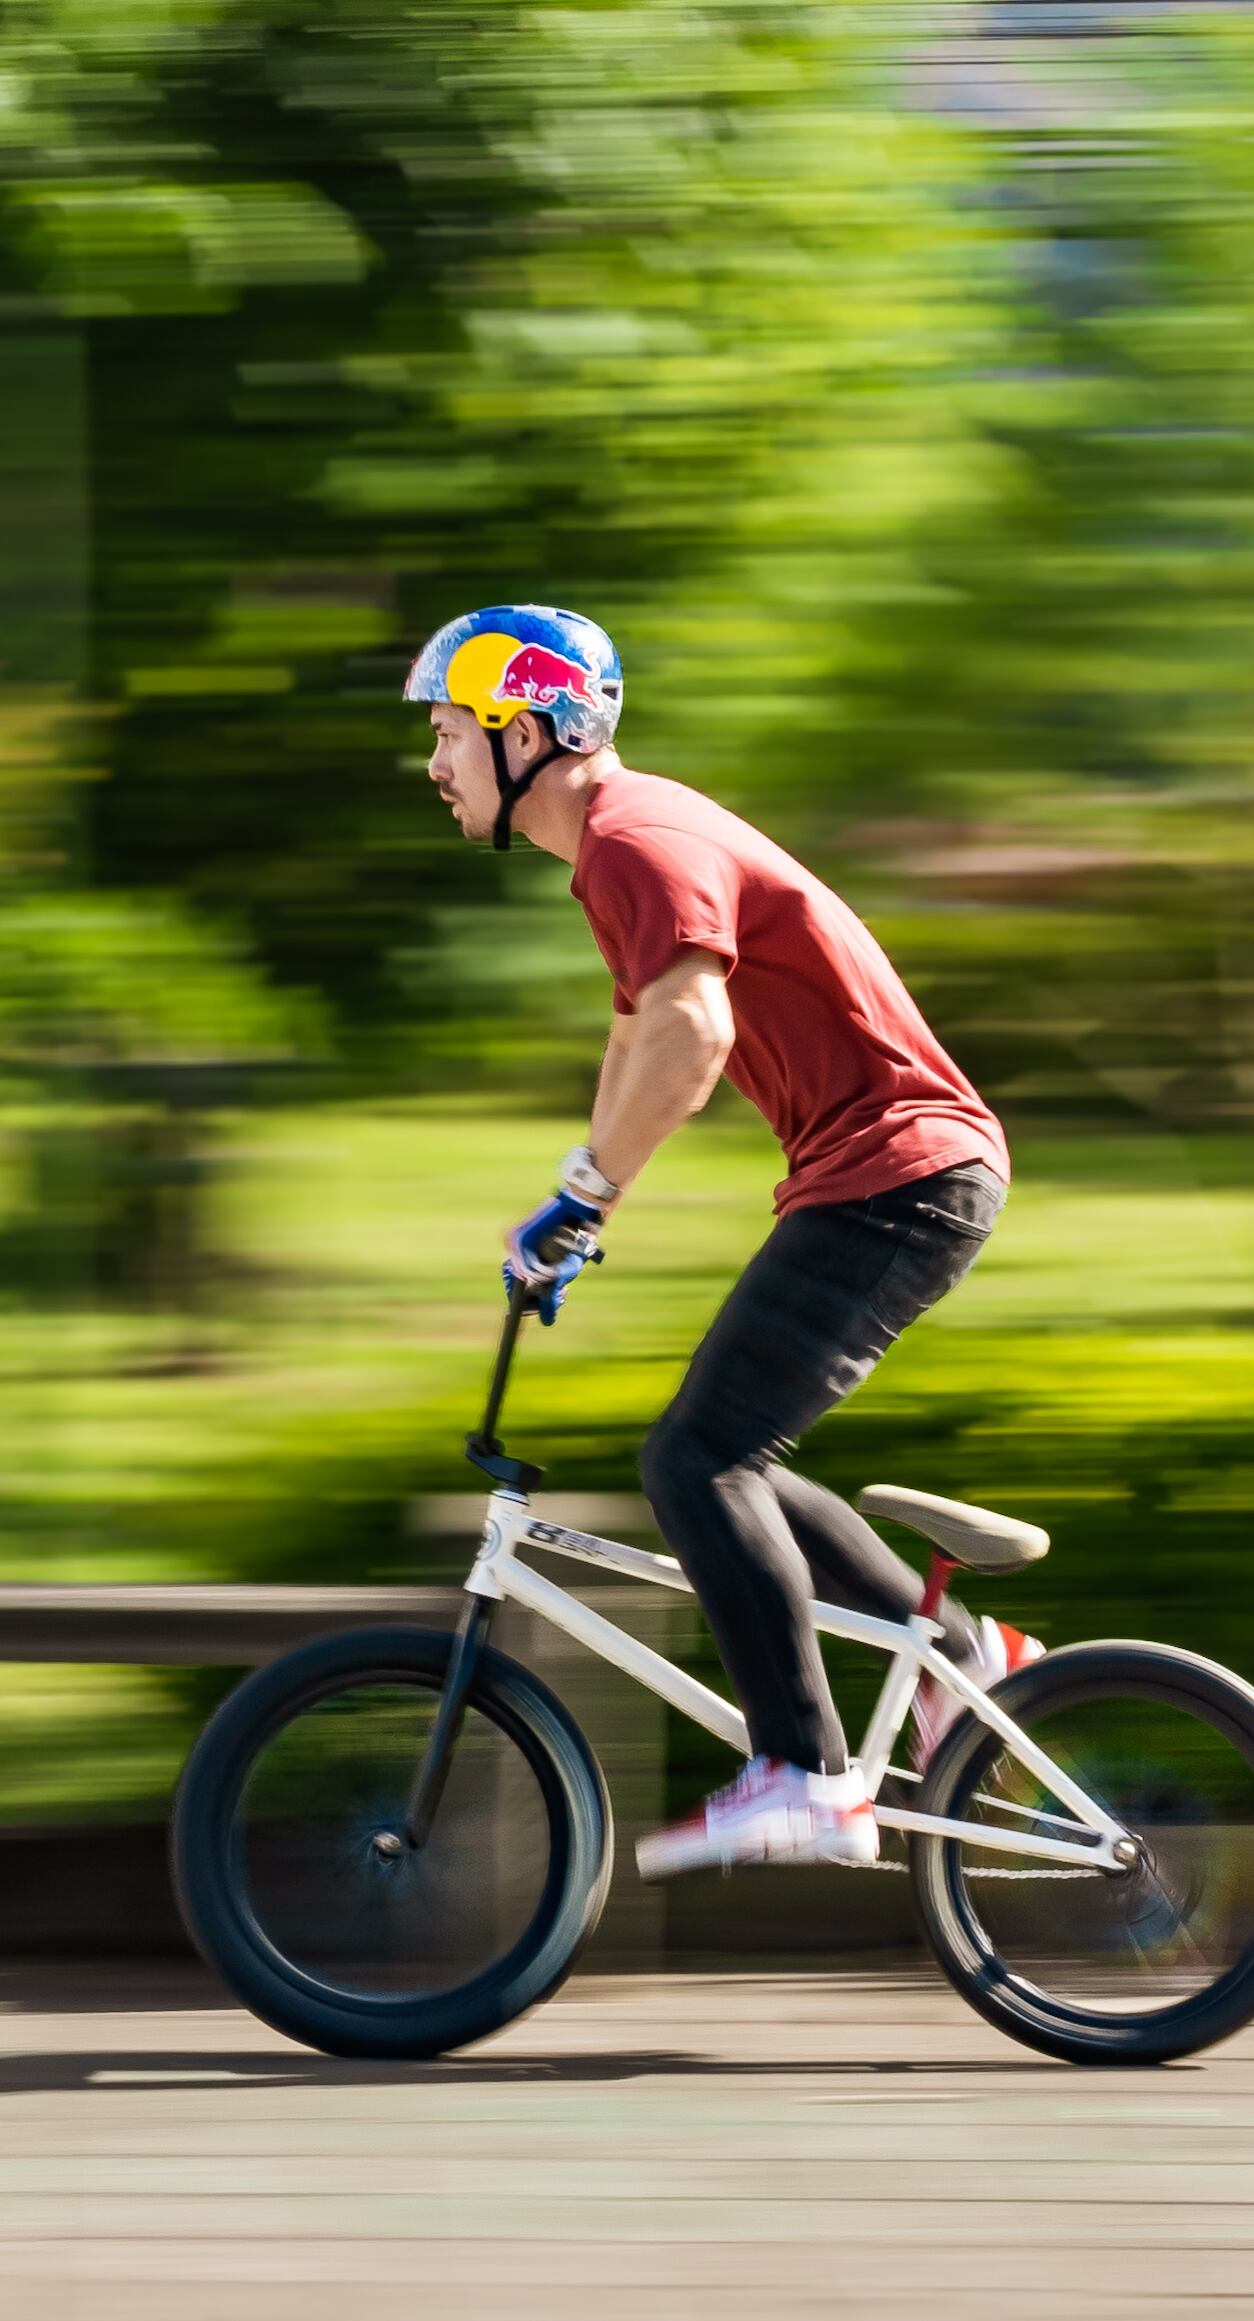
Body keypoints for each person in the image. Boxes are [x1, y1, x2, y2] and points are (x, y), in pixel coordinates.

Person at [403, 603, 1032, 1878]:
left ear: (528, 730)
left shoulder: (636, 837)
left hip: (901, 1174)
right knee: (715, 1449)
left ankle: (806, 1776)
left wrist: (584, 1194)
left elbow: (696, 1039)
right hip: (881, 1175)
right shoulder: (615, 851)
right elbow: (640, 1039)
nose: (433, 760)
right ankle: (958, 1655)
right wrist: (576, 1210)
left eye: (450, 729)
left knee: (700, 1457)